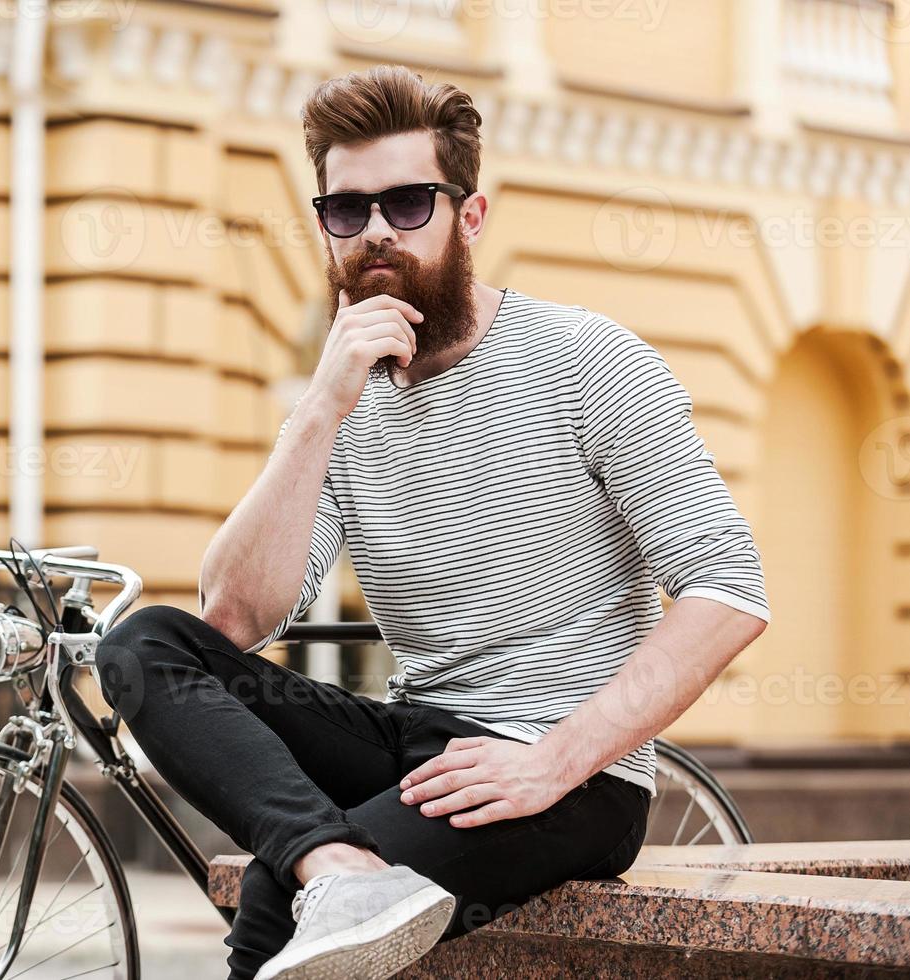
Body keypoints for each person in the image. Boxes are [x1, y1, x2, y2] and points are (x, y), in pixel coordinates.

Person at [96, 65, 770, 980]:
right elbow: (235, 620)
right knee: (144, 647)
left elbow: (728, 590)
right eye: (347, 210)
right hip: (415, 741)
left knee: (269, 898)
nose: (376, 231)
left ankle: (320, 875)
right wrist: (317, 412)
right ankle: (336, 866)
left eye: (409, 203)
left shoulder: (586, 361)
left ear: (471, 216)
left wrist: (552, 760)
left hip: (572, 777)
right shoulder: (345, 404)